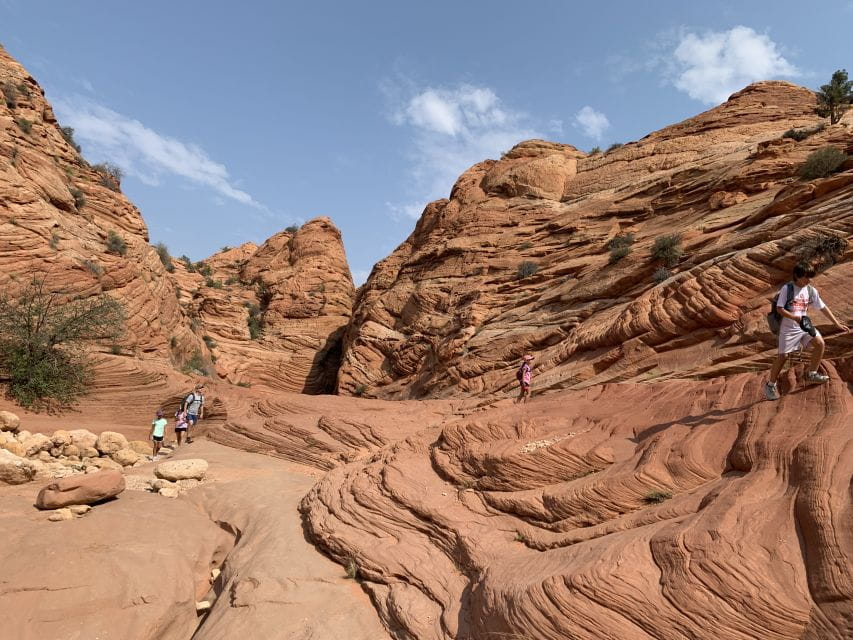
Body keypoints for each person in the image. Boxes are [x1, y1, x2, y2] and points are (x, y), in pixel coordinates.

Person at [764, 264, 849, 400]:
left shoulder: (810, 290)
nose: (809, 280)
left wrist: (836, 323)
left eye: (810, 277)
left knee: (820, 343)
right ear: (797, 276)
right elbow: (780, 309)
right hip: (788, 328)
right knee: (783, 356)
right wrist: (794, 317)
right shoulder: (788, 288)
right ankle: (770, 385)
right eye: (806, 277)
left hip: (803, 326)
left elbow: (823, 307)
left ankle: (811, 374)